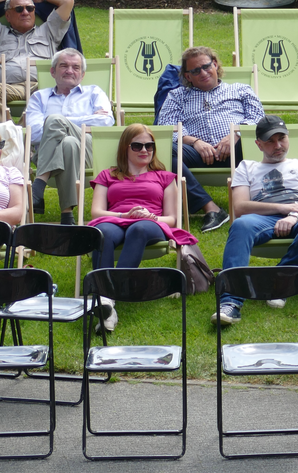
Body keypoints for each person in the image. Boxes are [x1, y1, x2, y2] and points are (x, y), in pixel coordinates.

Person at [212, 116, 298, 326]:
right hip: (260, 219)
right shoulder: (246, 167)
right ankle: (230, 301)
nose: (278, 145)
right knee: (239, 224)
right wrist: (283, 208)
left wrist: (293, 216)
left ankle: (280, 279)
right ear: (258, 144)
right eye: (270, 141)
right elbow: (240, 207)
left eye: (282, 138)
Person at [87, 123, 198, 332]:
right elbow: (97, 212)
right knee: (102, 233)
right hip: (115, 220)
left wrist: (151, 216)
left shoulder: (164, 177)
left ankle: (107, 298)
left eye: (149, 145)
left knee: (139, 229)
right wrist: (124, 214)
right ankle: (107, 308)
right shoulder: (107, 175)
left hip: (150, 224)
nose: (145, 150)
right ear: (125, 148)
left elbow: (172, 218)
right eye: (137, 146)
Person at [156, 46, 265, 233]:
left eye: (206, 66)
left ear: (215, 64)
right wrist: (195, 142)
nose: (203, 73)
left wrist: (235, 135)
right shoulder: (177, 96)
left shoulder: (240, 90)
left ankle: (262, 201)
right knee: (164, 153)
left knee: (257, 140)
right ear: (187, 76)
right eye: (195, 71)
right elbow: (165, 128)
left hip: (237, 151)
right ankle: (210, 208)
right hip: (196, 153)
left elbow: (258, 118)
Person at [25, 49, 114, 224]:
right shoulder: (39, 97)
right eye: (63, 65)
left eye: (75, 67)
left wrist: (59, 122)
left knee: (55, 121)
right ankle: (67, 216)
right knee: (69, 143)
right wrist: (84, 122)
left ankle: (38, 186)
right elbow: (34, 133)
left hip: (89, 154)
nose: (69, 70)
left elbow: (106, 121)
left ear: (82, 74)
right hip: (59, 150)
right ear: (52, 71)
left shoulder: (94, 92)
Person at [0, 0, 75, 121]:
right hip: (8, 87)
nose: (25, 12)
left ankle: (25, 132)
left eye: (30, 8)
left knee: (53, 89)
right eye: (19, 9)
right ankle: (6, 132)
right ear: (8, 16)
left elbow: (68, 1)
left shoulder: (49, 30)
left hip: (41, 85)